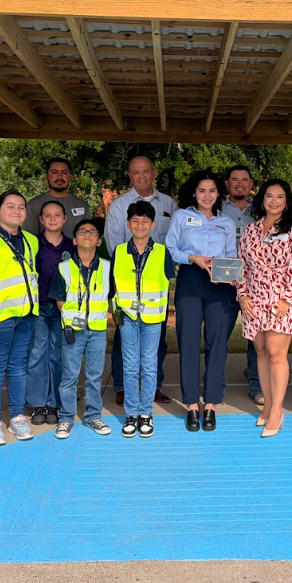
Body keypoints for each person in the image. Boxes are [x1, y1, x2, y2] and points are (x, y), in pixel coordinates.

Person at [237, 179, 292, 437]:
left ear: (287, 201)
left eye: (280, 197)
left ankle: (277, 411)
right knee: (261, 352)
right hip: (254, 299)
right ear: (262, 199)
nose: (274, 201)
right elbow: (241, 265)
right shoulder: (251, 230)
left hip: (280, 300)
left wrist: (287, 298)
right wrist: (242, 295)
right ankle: (267, 407)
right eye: (269, 196)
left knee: (277, 354)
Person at [167, 169, 237, 433]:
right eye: (201, 191)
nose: (207, 195)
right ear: (194, 193)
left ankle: (210, 404)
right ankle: (191, 406)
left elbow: (231, 253)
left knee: (217, 343)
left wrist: (231, 274)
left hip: (218, 284)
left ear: (218, 194)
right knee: (188, 342)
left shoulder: (226, 223)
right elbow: (172, 249)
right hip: (191, 280)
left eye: (212, 191)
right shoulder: (182, 216)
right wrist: (193, 258)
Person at [105, 156, 177, 405]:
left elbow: (174, 240)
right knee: (123, 339)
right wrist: (131, 268)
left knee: (156, 340)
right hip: (127, 281)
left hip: (155, 285)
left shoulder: (169, 203)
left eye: (146, 171)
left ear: (154, 172)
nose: (142, 176)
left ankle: (153, 386)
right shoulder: (118, 206)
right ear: (130, 176)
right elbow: (114, 244)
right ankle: (122, 388)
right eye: (136, 172)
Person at [0, 191, 39, 446]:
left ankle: (16, 416)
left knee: (18, 367)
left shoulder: (31, 241)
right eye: (10, 206)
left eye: (21, 207)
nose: (16, 210)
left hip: (25, 314)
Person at [110, 201, 175, 438]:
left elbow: (168, 284)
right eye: (135, 221)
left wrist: (166, 315)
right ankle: (131, 413)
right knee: (129, 366)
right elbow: (113, 285)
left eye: (145, 221)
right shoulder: (118, 252)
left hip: (152, 318)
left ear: (153, 224)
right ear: (128, 224)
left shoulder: (161, 252)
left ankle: (145, 413)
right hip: (127, 317)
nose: (140, 225)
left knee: (148, 365)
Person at [52, 218, 113, 439]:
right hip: (73, 330)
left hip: (97, 330)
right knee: (69, 376)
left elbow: (111, 296)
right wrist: (73, 319)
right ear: (75, 239)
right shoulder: (64, 267)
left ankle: (93, 416)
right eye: (82, 231)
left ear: (99, 241)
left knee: (94, 376)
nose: (87, 234)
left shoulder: (107, 267)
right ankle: (66, 418)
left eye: (93, 232)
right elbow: (59, 300)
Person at [26, 200, 75, 426]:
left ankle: (55, 403)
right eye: (48, 215)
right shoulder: (33, 244)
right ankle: (37, 403)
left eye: (57, 215)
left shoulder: (72, 245)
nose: (53, 219)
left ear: (65, 219)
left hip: (62, 307)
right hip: (38, 306)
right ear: (41, 219)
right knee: (37, 353)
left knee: (58, 354)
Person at [223, 165, 263, 406]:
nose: (239, 184)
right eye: (234, 180)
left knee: (256, 339)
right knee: (219, 336)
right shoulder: (216, 209)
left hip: (255, 282)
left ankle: (257, 386)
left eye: (244, 180)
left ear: (251, 185)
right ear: (227, 184)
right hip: (225, 281)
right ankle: (215, 383)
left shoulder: (261, 210)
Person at [25, 157, 92, 238]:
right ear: (46, 176)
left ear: (70, 176)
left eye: (64, 173)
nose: (59, 177)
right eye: (54, 173)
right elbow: (29, 241)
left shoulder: (82, 205)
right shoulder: (33, 206)